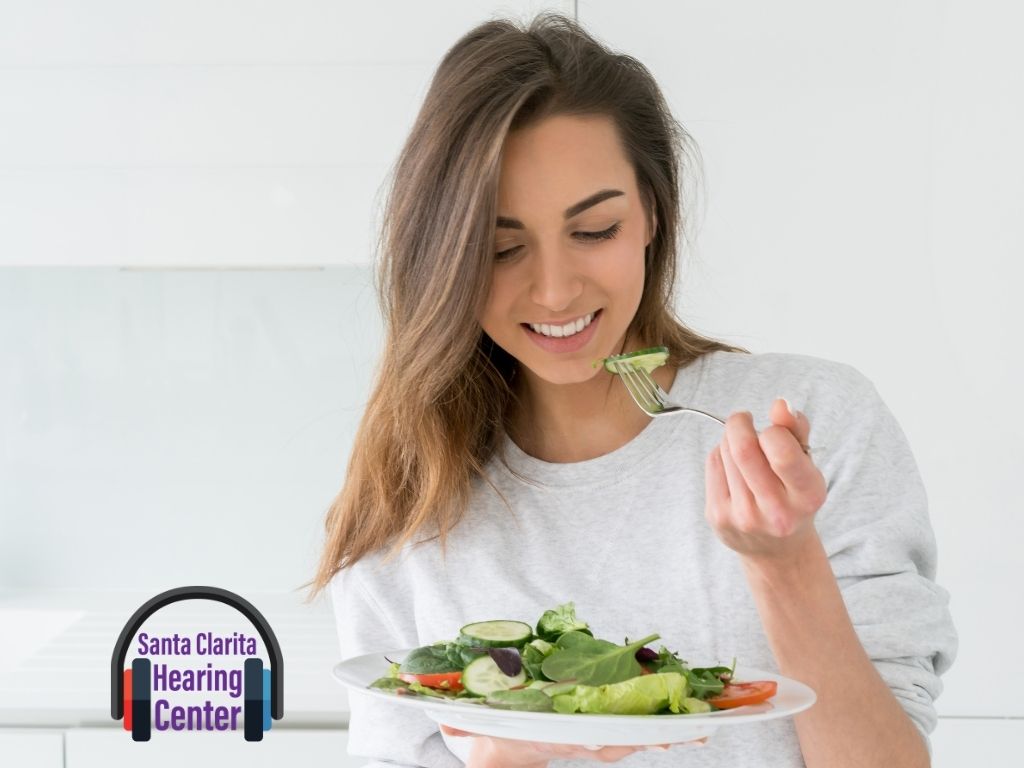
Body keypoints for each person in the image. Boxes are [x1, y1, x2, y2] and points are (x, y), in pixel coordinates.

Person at [304, 12, 957, 768]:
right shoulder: (409, 508)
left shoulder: (818, 422)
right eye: (502, 247)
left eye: (595, 230)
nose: (554, 290)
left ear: (650, 212)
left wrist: (786, 566)